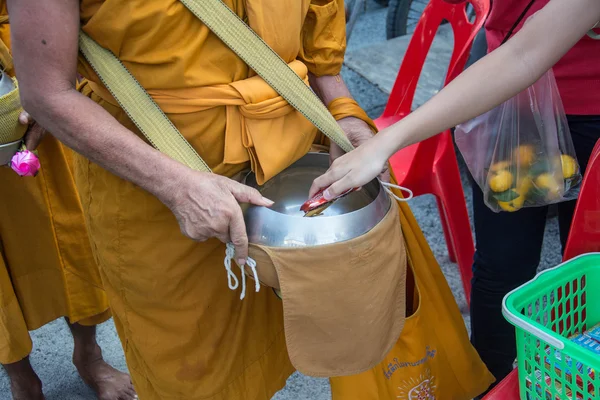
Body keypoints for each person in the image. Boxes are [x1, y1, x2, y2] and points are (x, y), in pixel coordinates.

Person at [6, 1, 384, 398]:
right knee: (190, 374)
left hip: (287, 168)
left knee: (286, 339)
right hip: (153, 189)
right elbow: (47, 92)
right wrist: (176, 187)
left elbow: (317, 19)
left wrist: (343, 110)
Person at [310, 0, 600, 393]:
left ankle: (574, 379)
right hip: (504, 97)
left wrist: (385, 144)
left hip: (583, 106)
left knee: (584, 274)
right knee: (501, 267)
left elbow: (528, 51)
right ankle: (489, 384)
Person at [0, 8, 136, 399]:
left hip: (30, 57)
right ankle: (20, 375)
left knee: (72, 230)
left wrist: (51, 90)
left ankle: (89, 354)